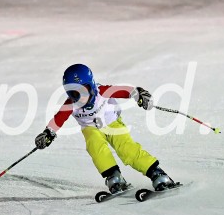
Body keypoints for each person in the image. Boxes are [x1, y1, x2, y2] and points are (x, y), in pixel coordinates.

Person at [34, 63, 174, 193]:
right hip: (90, 128)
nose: (82, 97)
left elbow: (125, 91)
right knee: (95, 146)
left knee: (126, 148)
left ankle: (156, 173)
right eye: (76, 94)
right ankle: (114, 176)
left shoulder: (103, 91)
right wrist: (48, 133)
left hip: (112, 123)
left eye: (85, 90)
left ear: (92, 85)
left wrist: (139, 94)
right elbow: (59, 119)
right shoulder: (70, 104)